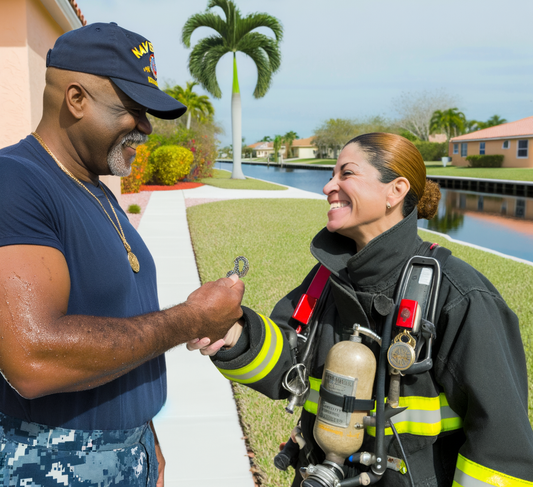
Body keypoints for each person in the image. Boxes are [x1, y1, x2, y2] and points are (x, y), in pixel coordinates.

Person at [189, 133, 533, 486]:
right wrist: (232, 334)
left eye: (346, 174)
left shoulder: (460, 295)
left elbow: (501, 449)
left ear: (395, 190)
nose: (327, 186)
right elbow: (289, 361)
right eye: (331, 175)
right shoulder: (327, 276)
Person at [0, 22, 244, 487]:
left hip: (128, 453)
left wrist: (144, 433)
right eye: (133, 110)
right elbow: (33, 357)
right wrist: (190, 320)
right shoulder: (15, 181)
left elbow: (119, 318)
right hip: (52, 461)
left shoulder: (96, 189)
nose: (146, 128)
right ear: (76, 99)